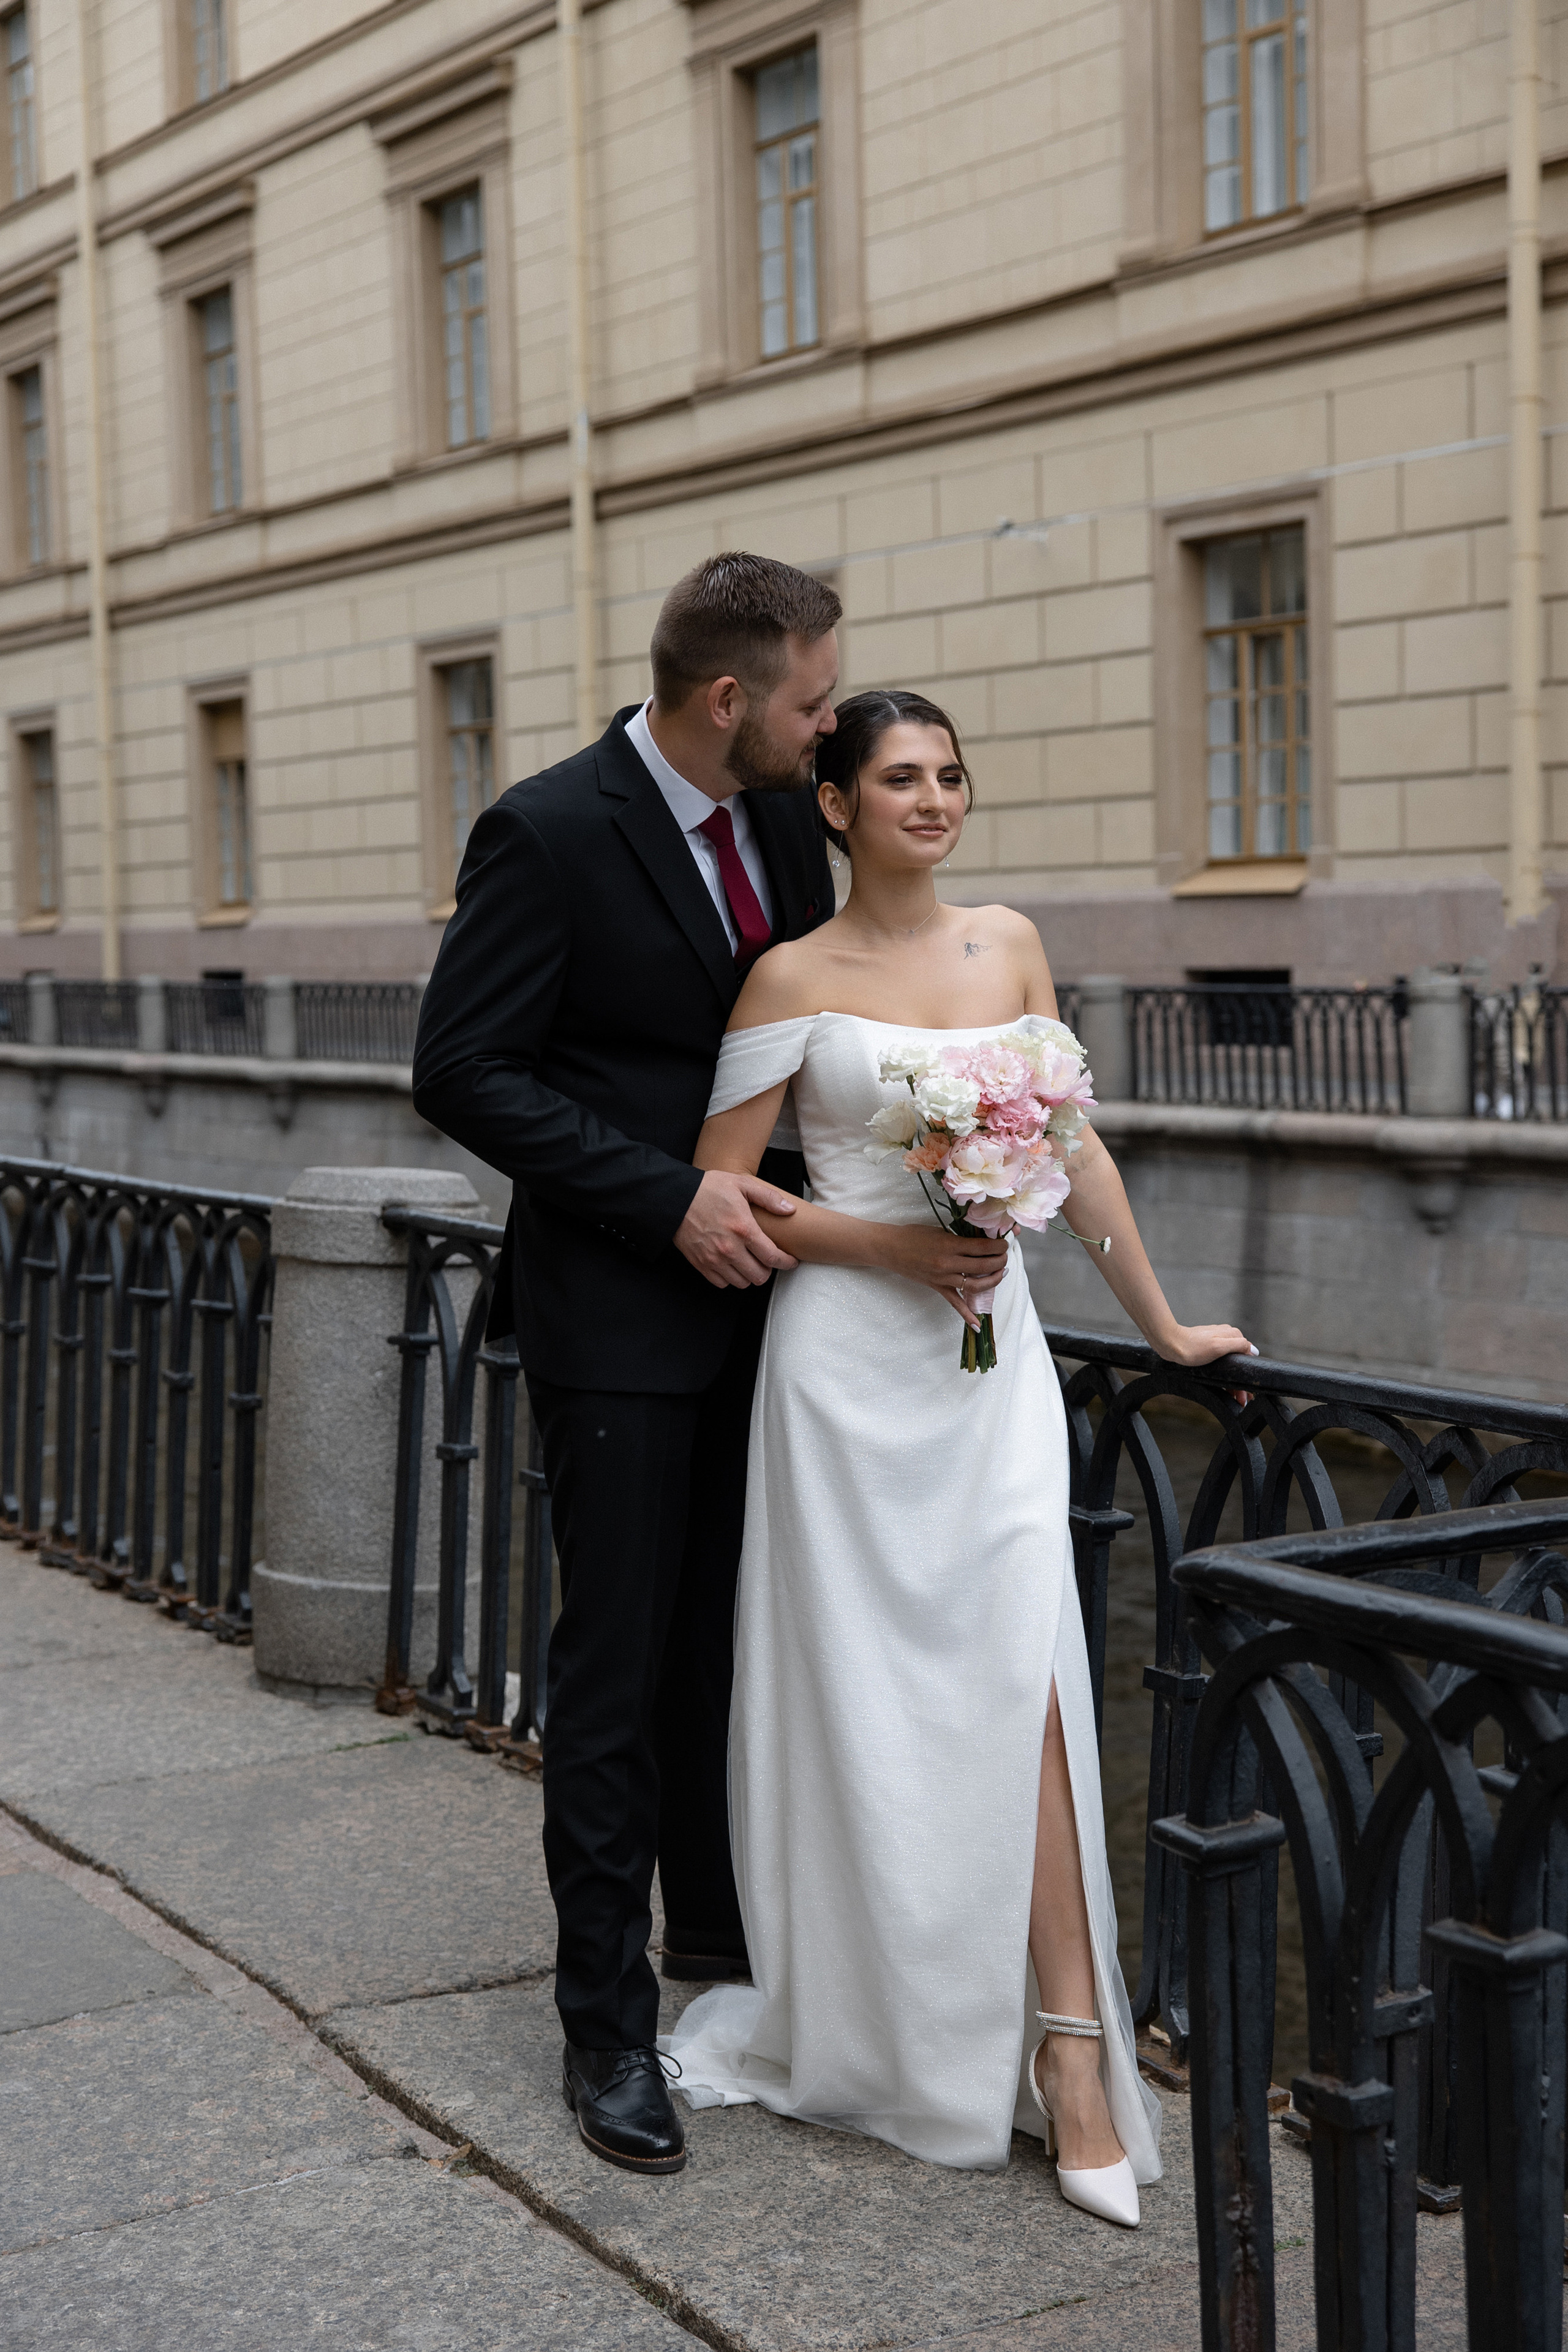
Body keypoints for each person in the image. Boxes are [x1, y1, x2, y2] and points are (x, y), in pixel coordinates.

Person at [665, 688, 1256, 2226]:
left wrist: (1166, 1323)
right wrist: (884, 1244)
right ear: (837, 806)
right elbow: (720, 1196)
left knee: (1032, 1675)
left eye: (948, 776)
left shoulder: (1008, 944)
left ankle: (1068, 2051)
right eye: (898, 779)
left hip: (991, 1368)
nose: (931, 800)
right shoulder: (788, 975)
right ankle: (908, 2019)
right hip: (847, 1377)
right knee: (875, 1701)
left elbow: (1072, 1148)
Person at [412, 553, 859, 2177]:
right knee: (613, 1672)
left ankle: (721, 1945)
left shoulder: (785, 817)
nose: (831, 726)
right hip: (619, 1315)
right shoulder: (548, 827)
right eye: (813, 701)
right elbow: (458, 1069)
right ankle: (605, 2029)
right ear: (726, 699)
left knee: (737, 1645)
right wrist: (670, 1198)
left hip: (794, 1310)